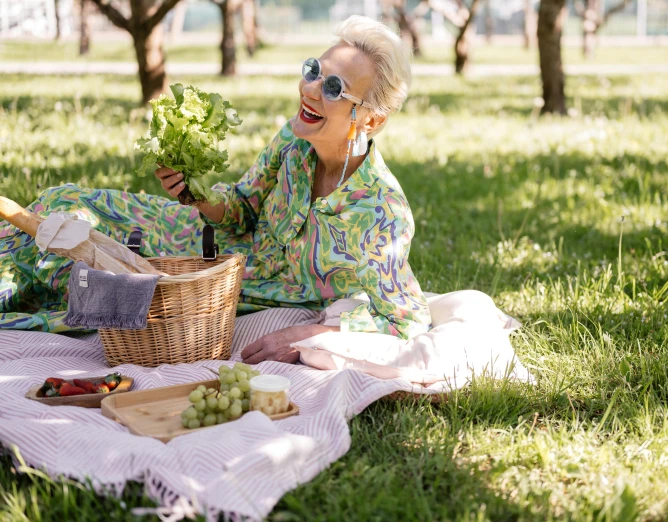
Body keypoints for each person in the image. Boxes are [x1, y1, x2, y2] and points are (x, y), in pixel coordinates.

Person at [0, 15, 432, 363]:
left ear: (371, 120)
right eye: (315, 71)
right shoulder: (294, 140)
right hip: (196, 236)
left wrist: (311, 334)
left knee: (78, 278)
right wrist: (198, 195)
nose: (311, 89)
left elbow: (406, 319)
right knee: (65, 207)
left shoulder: (380, 213)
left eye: (334, 88)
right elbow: (242, 206)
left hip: (220, 283)